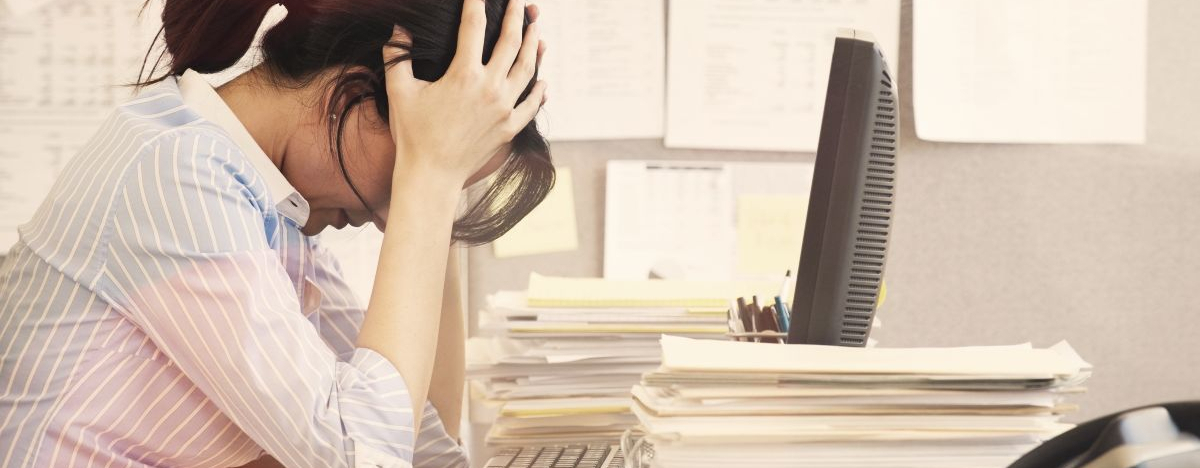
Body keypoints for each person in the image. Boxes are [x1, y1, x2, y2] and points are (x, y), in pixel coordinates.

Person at [0, 0, 551, 465]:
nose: (390, 215)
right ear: (356, 99)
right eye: (427, 151)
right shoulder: (176, 169)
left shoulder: (272, 216)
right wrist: (427, 179)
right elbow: (364, 452)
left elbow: (425, 447)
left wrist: (435, 188)